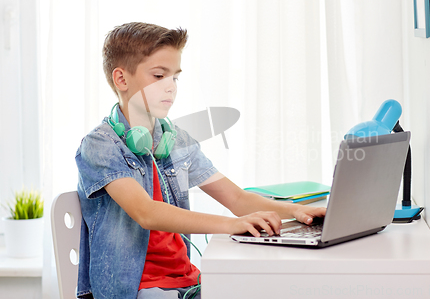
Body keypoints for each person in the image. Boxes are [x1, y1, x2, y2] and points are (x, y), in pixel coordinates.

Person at [75, 22, 326, 299]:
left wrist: (298, 212)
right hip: (137, 289)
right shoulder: (100, 145)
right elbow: (146, 213)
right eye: (159, 76)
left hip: (186, 280)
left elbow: (238, 200)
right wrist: (232, 225)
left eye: (175, 77)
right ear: (122, 79)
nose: (170, 87)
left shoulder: (175, 139)